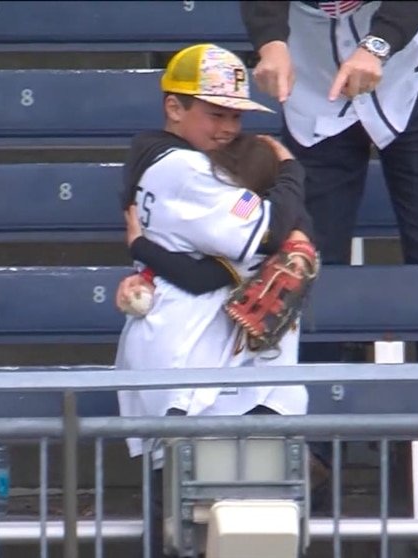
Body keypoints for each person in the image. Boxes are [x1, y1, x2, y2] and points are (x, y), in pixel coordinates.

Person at [239, 1, 418, 517]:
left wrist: (378, 45)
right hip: (312, 71)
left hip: (415, 70)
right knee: (307, 261)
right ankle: (310, 445)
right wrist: (270, 42)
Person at [112, 43, 318, 557]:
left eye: (235, 116)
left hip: (191, 357)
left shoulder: (163, 160)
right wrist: (290, 170)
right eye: (215, 113)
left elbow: (214, 262)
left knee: (207, 522)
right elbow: (267, 232)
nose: (228, 128)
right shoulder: (185, 168)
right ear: (174, 107)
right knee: (206, 522)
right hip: (197, 361)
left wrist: (141, 250)